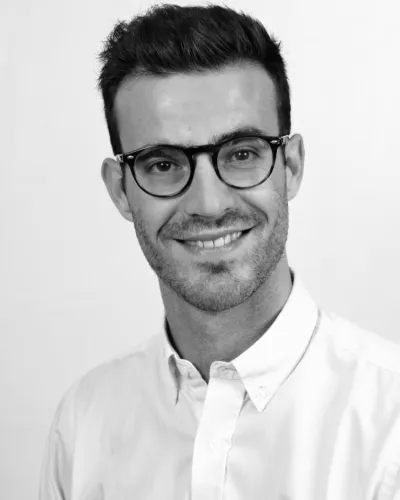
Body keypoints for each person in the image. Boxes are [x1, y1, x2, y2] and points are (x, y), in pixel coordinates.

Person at [39, 4, 400, 499]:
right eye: (162, 163)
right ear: (121, 190)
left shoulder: (389, 423)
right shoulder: (83, 424)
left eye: (242, 153)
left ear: (291, 167)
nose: (208, 204)